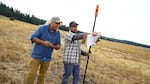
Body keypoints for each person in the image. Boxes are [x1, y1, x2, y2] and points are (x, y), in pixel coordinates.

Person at [24, 16, 62, 84]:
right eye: (57, 23)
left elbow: (58, 45)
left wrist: (54, 46)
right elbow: (32, 38)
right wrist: (43, 43)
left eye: (59, 23)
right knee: (31, 74)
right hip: (36, 56)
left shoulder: (58, 33)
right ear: (51, 22)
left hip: (47, 58)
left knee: (42, 76)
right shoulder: (42, 28)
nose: (58, 25)